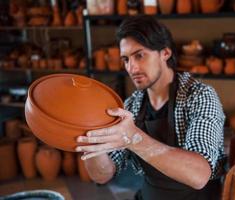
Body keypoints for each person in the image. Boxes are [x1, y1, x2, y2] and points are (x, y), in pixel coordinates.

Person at [75, 15, 226, 200]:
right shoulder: (132, 105)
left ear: (165, 53)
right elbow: (103, 175)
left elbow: (199, 175)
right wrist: (92, 143)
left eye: (139, 55)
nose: (132, 68)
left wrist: (133, 138)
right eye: (126, 59)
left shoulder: (199, 96)